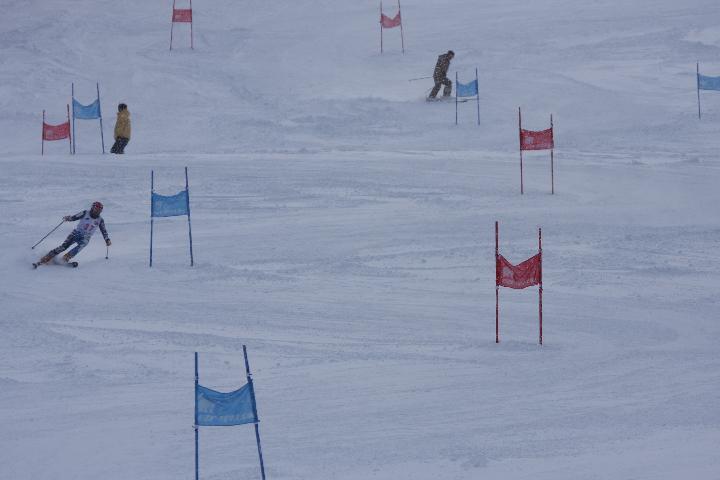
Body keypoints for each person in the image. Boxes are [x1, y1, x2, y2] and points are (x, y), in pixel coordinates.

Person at [35, 202, 111, 265]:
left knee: (82, 245)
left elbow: (103, 231)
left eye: (99, 210)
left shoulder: (100, 220)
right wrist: (69, 218)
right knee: (64, 246)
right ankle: (48, 256)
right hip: (76, 233)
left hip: (86, 237)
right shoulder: (85, 213)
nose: (97, 211)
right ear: (92, 208)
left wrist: (107, 239)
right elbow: (75, 217)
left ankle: (66, 257)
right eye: (96, 209)